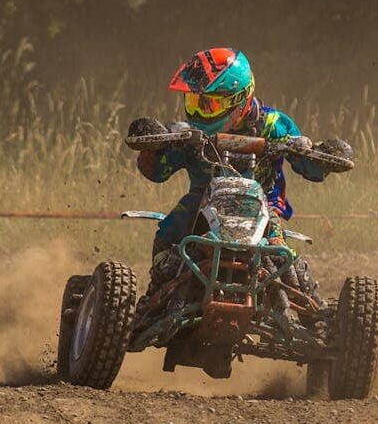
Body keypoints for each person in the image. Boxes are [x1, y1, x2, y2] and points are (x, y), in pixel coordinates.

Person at [129, 47, 351, 310]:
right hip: (203, 200)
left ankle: (316, 312)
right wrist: (154, 150)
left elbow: (307, 165)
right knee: (170, 231)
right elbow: (157, 173)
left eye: (209, 104)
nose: (199, 112)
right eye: (194, 103)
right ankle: (155, 298)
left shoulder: (273, 124)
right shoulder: (189, 135)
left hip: (262, 205)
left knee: (281, 255)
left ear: (240, 99)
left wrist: (321, 155)